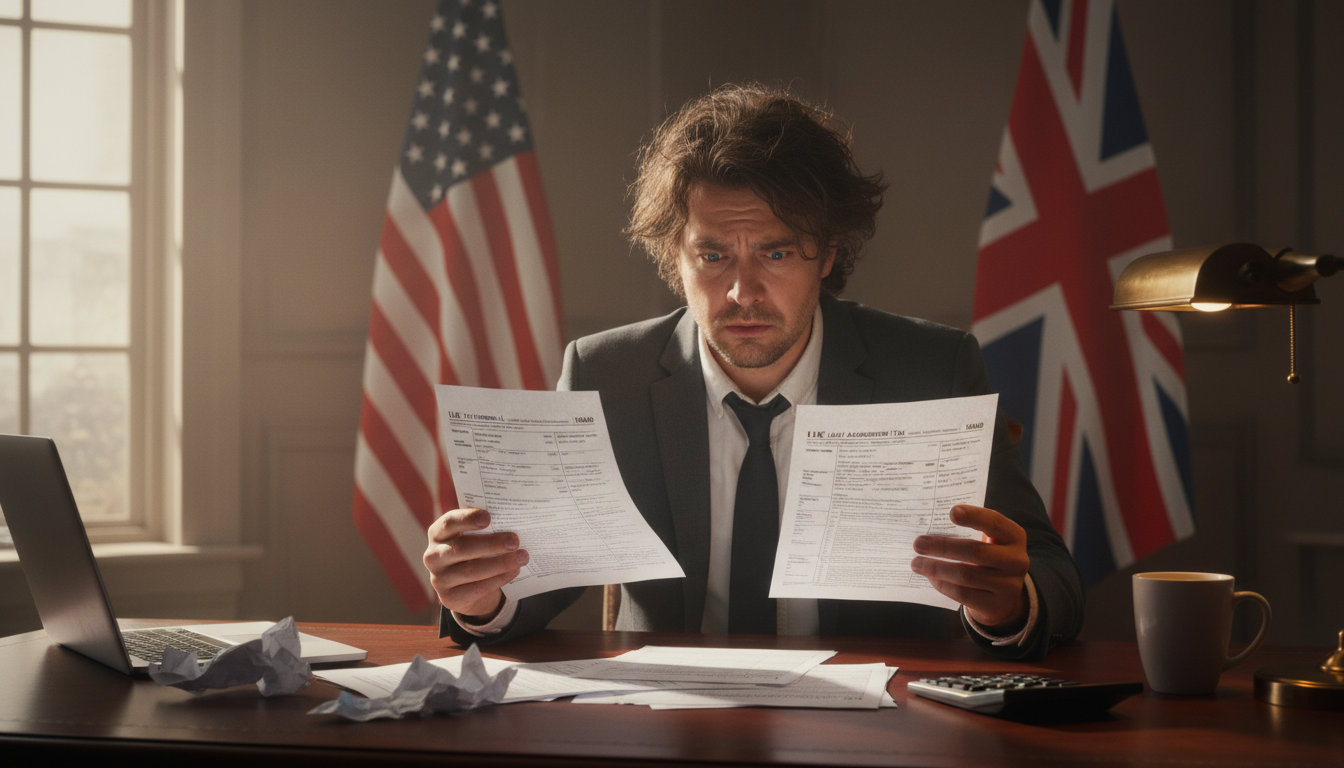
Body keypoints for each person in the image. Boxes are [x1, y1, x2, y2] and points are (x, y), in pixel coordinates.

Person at [424, 84, 1084, 660]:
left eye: (775, 252)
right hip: (663, 726)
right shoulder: (605, 375)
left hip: (879, 729)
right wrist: (483, 596)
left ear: (827, 253)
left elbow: (1054, 575)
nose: (742, 291)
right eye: (712, 256)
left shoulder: (932, 369)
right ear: (672, 259)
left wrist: (1006, 603)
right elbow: (532, 588)